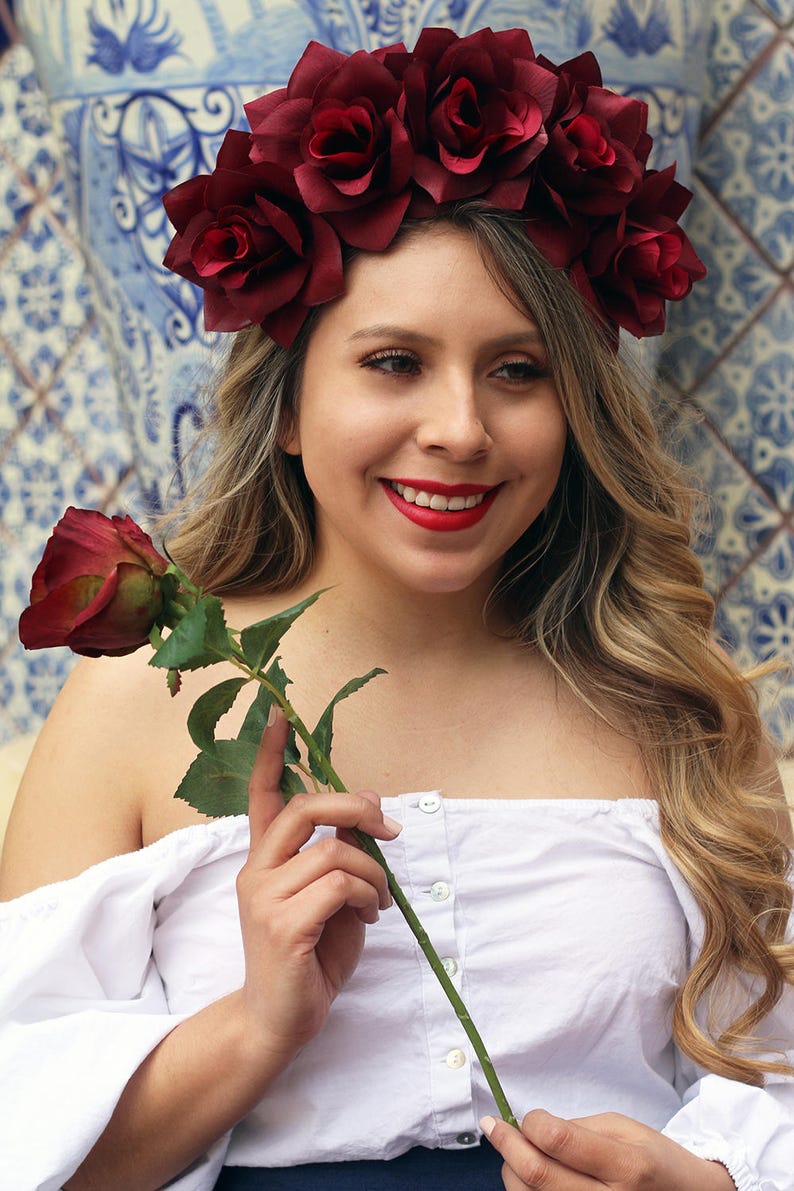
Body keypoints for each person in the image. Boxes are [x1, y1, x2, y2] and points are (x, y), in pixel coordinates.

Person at [1, 25, 793, 1191]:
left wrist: (711, 1185)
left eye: (518, 371)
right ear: (283, 407)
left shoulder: (669, 707)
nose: (461, 430)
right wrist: (256, 1024)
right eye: (392, 362)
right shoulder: (130, 707)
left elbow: (768, 1085)